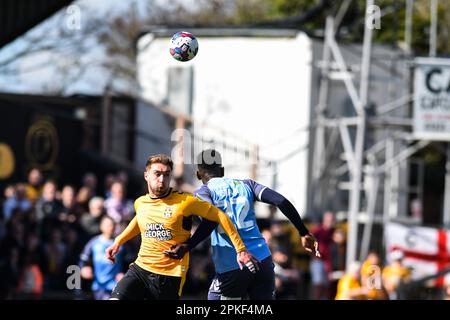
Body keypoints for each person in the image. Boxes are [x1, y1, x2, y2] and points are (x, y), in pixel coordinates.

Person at [164, 149, 320, 300]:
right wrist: (303, 232)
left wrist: (188, 245)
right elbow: (281, 201)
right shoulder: (247, 184)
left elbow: (211, 220)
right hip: (263, 261)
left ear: (198, 174)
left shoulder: (203, 193)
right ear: (222, 170)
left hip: (233, 264)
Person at [105, 154, 257, 300]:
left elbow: (220, 216)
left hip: (169, 275)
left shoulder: (185, 201)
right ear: (146, 175)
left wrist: (241, 249)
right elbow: (139, 220)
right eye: (157, 174)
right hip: (139, 269)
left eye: (166, 175)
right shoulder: (140, 203)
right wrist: (118, 241)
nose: (162, 179)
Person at [79, 216, 125, 300]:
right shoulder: (94, 242)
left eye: (112, 225)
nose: (111, 227)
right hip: (97, 286)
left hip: (114, 286)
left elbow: (128, 261)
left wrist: (124, 274)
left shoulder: (119, 244)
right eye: (108, 225)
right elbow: (83, 259)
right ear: (101, 226)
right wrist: (83, 269)